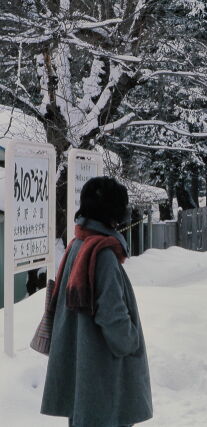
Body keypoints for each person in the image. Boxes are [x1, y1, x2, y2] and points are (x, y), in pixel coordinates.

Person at [41, 176, 153, 427]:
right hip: (102, 370)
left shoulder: (78, 244)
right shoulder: (102, 254)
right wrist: (129, 341)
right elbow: (112, 314)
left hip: (84, 367)